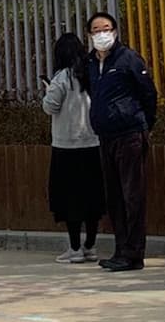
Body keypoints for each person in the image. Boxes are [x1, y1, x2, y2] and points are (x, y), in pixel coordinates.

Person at [81, 9, 156, 272]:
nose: (102, 34)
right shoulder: (90, 63)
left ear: (114, 31)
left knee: (132, 194)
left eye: (106, 29)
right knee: (114, 196)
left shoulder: (128, 59)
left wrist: (143, 123)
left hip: (130, 133)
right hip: (106, 135)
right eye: (96, 30)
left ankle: (134, 252)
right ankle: (121, 249)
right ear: (89, 35)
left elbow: (148, 93)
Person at [41, 32, 106, 262]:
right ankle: (90, 246)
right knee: (92, 198)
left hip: (65, 146)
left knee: (69, 199)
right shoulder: (91, 75)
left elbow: (50, 107)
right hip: (92, 143)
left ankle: (74, 248)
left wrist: (47, 91)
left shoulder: (62, 78)